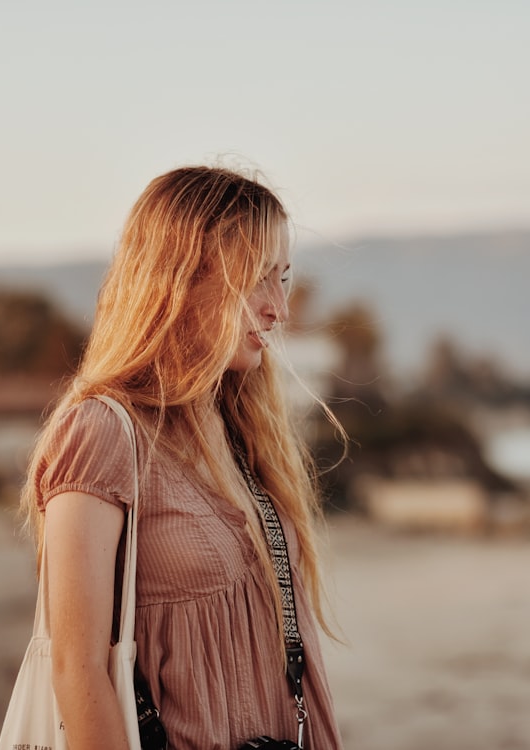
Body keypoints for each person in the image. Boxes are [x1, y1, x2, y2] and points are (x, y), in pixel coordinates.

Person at [19, 166, 343, 750]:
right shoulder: (100, 433)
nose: (278, 309)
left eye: (284, 278)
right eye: (256, 279)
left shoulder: (239, 431)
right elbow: (77, 670)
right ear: (181, 280)